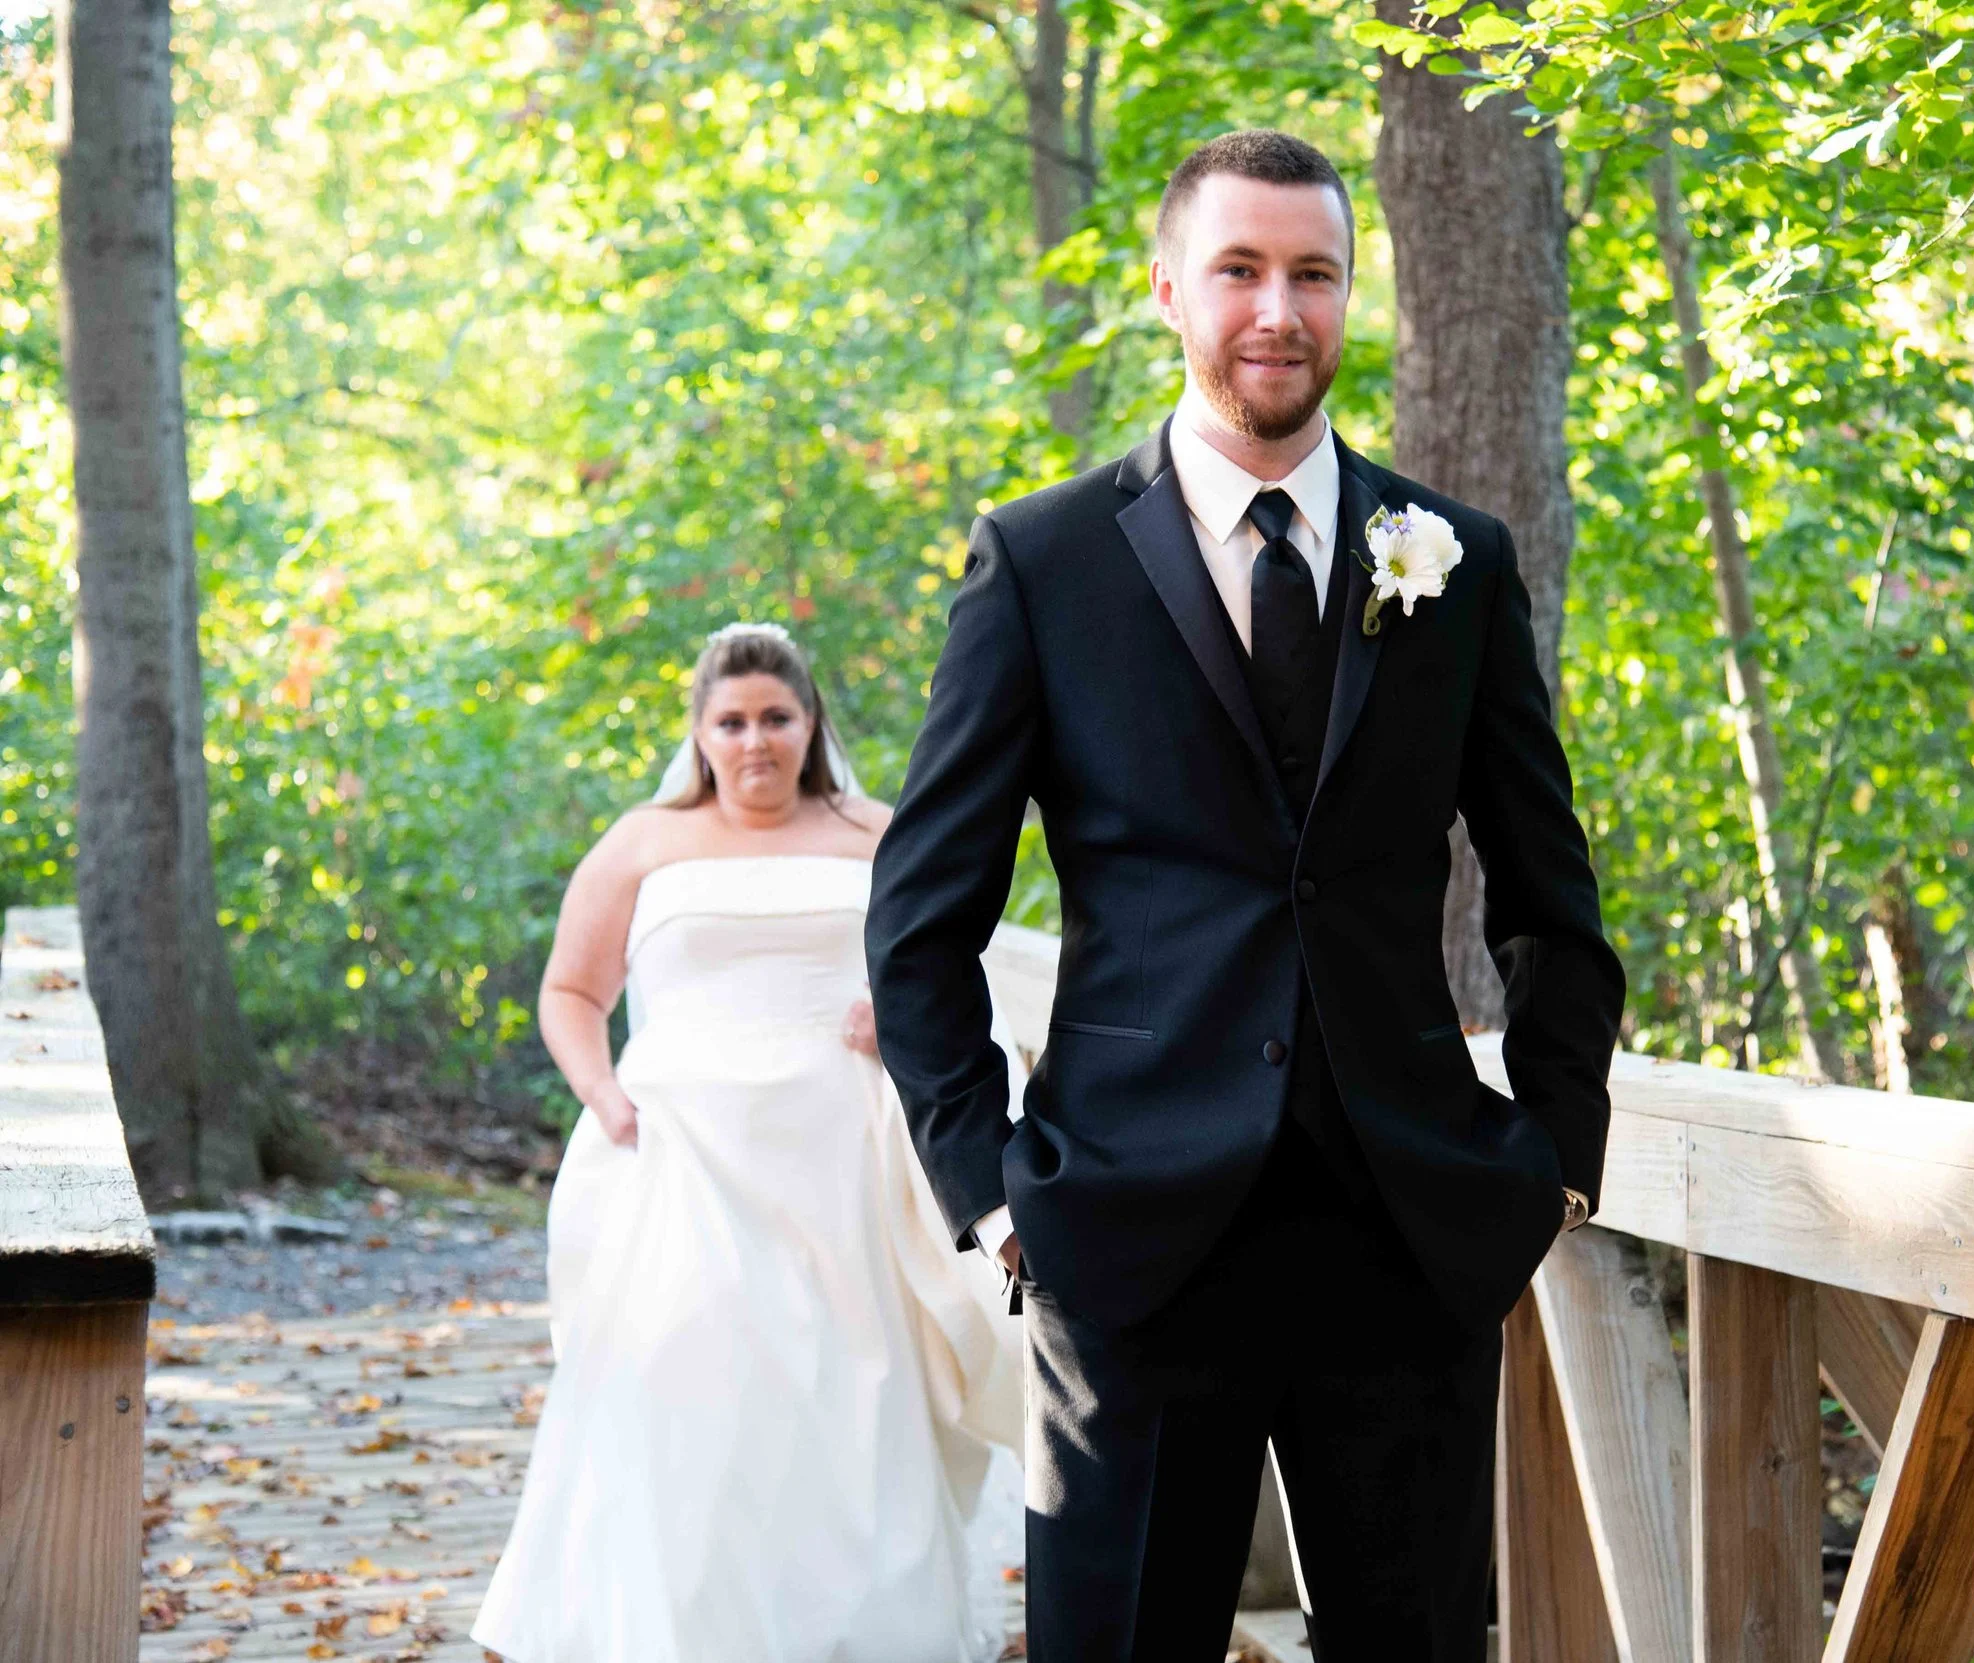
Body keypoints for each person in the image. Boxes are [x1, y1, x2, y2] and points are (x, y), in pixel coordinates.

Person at [866, 131, 1625, 1661]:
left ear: (1353, 295)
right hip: (1128, 1239)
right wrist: (998, 1192)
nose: (1278, 309)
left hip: (1403, 1233)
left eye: (1314, 274)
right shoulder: (1043, 559)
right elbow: (920, 916)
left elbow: (1549, 895)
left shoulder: (1453, 560)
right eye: (1240, 270)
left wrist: (1554, 1160)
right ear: (1169, 290)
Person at [474, 623, 1023, 1663]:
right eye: (731, 721)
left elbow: (951, 956)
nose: (755, 739)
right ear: (700, 733)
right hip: (685, 1155)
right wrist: (603, 1093)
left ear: (810, 724)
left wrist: (896, 1009)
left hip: (841, 1157)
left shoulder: (875, 830)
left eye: (776, 716)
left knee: (848, 1391)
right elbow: (572, 991)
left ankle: (855, 1633)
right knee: (691, 1384)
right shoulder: (644, 839)